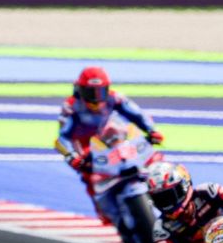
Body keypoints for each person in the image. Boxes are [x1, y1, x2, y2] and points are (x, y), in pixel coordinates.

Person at [54, 66, 164, 218]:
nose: (96, 98)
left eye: (100, 91)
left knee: (153, 158)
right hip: (87, 149)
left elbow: (137, 114)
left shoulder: (115, 97)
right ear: (80, 89)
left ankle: (160, 190)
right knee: (89, 175)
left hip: (112, 139)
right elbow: (62, 138)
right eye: (90, 92)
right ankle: (108, 212)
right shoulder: (71, 106)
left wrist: (152, 130)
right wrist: (71, 156)